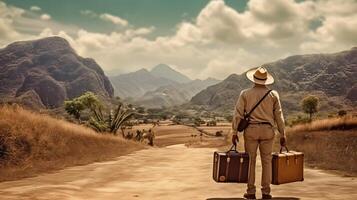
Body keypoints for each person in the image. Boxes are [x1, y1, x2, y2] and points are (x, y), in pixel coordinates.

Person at [231, 66, 286, 199]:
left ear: (253, 79)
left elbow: (238, 114)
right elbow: (279, 115)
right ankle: (266, 192)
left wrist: (234, 132)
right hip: (268, 131)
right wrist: (283, 133)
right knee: (266, 161)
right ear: (266, 80)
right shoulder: (273, 94)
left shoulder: (245, 93)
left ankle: (251, 192)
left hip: (251, 130)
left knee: (250, 161)